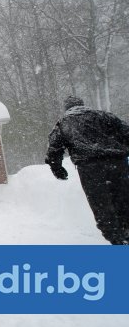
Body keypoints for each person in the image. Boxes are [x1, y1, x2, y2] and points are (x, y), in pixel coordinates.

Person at [45, 95, 129, 245]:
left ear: (67, 108)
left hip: (90, 169)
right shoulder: (104, 116)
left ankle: (117, 239)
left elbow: (54, 150)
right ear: (83, 104)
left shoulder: (64, 123)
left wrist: (57, 169)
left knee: (101, 204)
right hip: (117, 163)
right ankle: (126, 230)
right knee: (123, 199)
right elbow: (126, 132)